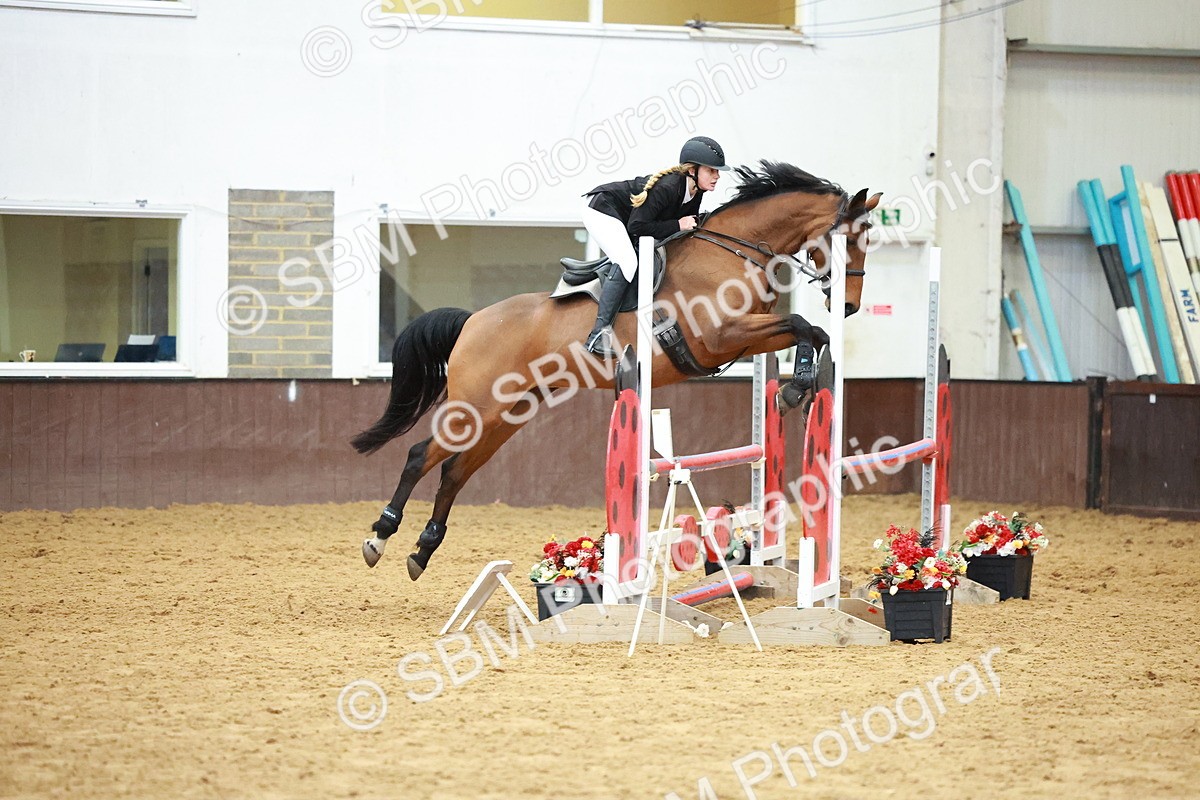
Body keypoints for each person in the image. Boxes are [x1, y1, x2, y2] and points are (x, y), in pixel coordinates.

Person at [580, 135, 730, 359]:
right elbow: (638, 226)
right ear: (692, 170)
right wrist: (678, 224)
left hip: (626, 219)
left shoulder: (695, 192)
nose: (717, 176)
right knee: (628, 261)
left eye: (717, 172)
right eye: (711, 170)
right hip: (601, 209)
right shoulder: (668, 188)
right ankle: (597, 335)